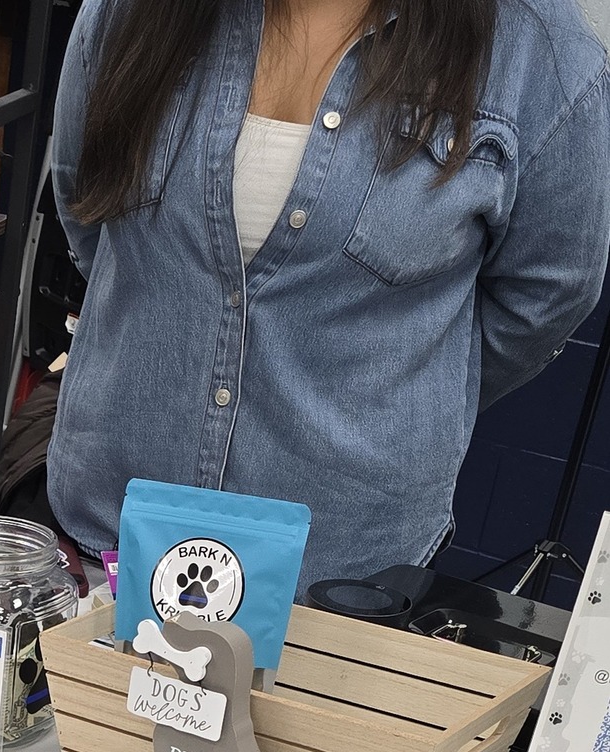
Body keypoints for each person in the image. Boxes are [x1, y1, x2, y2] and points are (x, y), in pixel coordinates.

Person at [47, 0, 610, 587]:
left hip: (344, 570)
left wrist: (399, 391)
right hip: (113, 531)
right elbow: (85, 202)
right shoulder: (127, 12)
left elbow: (550, 290)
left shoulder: (537, 52)